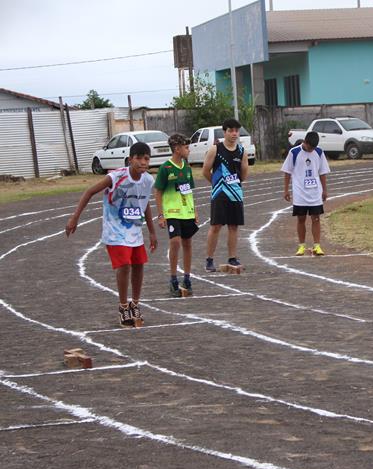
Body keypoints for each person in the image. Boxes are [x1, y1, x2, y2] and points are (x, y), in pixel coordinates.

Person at [65, 142, 157, 327]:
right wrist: (75, 217)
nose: (142, 162)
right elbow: (90, 191)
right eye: (138, 158)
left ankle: (135, 304)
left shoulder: (148, 180)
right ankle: (123, 306)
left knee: (139, 264)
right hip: (114, 229)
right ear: (130, 159)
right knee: (124, 265)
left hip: (134, 230)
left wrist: (152, 231)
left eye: (146, 158)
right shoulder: (115, 177)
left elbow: (145, 203)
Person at [154, 133, 198, 296]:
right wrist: (160, 214)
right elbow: (158, 192)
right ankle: (173, 279)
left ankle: (187, 278)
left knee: (187, 244)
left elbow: (189, 192)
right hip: (172, 212)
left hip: (187, 212)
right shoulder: (165, 168)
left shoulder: (187, 168)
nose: (189, 150)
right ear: (177, 149)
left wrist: (195, 211)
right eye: (186, 148)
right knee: (175, 243)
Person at [204, 118, 249, 272]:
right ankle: (209, 259)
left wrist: (234, 184)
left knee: (233, 226)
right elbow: (205, 170)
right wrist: (217, 184)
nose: (234, 134)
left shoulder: (242, 151)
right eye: (231, 131)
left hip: (235, 194)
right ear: (225, 132)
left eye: (236, 131)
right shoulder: (215, 149)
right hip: (219, 194)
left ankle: (232, 257)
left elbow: (244, 174)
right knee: (215, 226)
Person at [281, 131, 330, 256]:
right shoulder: (294, 152)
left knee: (316, 219)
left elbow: (323, 172)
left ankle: (317, 246)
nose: (311, 150)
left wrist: (324, 190)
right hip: (300, 192)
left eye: (313, 148)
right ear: (305, 142)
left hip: (315, 193)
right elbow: (287, 172)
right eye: (309, 147)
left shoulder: (319, 152)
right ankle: (301, 246)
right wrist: (286, 190)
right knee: (301, 219)